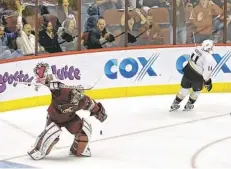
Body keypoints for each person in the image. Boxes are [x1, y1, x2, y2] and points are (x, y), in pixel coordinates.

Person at [27, 66, 107, 160]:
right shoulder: (60, 92)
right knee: (52, 134)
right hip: (54, 118)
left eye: (79, 96)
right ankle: (38, 149)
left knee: (84, 131)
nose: (76, 98)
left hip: (70, 119)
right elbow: (48, 80)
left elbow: (93, 106)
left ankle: (77, 150)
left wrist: (100, 114)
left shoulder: (83, 100)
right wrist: (41, 77)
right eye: (74, 95)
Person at [170, 39, 215, 111]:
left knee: (184, 89)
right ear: (209, 48)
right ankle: (189, 104)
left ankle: (175, 103)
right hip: (197, 77)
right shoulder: (209, 59)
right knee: (196, 91)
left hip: (188, 71)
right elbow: (206, 74)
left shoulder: (197, 48)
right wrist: (208, 82)